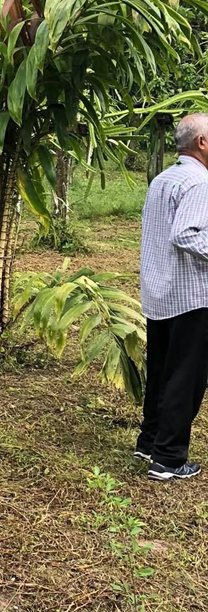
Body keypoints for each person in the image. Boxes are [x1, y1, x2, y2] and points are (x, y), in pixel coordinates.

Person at [137, 113, 208, 482]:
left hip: (161, 291)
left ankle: (149, 441)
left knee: (163, 372)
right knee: (187, 376)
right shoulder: (200, 182)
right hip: (193, 295)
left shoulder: (164, 178)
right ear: (202, 143)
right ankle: (168, 459)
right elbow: (186, 234)